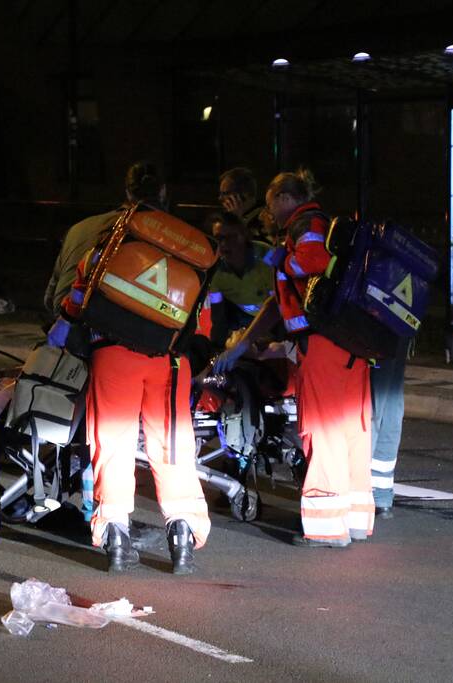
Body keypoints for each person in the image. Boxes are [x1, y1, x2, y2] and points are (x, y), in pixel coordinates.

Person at [50, 161, 211, 575]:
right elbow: (201, 315)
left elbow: (82, 289)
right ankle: (182, 540)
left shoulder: (116, 235)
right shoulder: (186, 246)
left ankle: (117, 541)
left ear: (127, 194)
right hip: (169, 361)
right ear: (164, 195)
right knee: (172, 445)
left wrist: (65, 321)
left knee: (113, 444)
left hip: (113, 353)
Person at [214, 169, 374, 548]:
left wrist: (281, 258)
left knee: (322, 428)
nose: (269, 213)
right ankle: (354, 519)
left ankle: (326, 528)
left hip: (323, 346)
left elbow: (311, 262)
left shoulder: (306, 226)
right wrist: (243, 344)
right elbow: (279, 302)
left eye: (271, 204)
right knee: (352, 429)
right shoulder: (321, 226)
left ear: (286, 199)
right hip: (350, 343)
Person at [206, 211, 277, 350]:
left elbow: (282, 300)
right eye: (219, 238)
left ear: (244, 235)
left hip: (276, 313)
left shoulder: (267, 255)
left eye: (231, 237)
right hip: (245, 318)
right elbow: (218, 315)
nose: (224, 244)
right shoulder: (215, 272)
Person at [369, 339, 412, 519]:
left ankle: (360, 489)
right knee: (390, 406)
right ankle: (381, 495)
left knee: (372, 407)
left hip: (375, 333)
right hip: (399, 330)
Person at [218, 167, 267, 242]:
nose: (220, 198)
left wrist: (237, 221)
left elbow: (255, 246)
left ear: (244, 195)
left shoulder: (264, 219)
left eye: (225, 193)